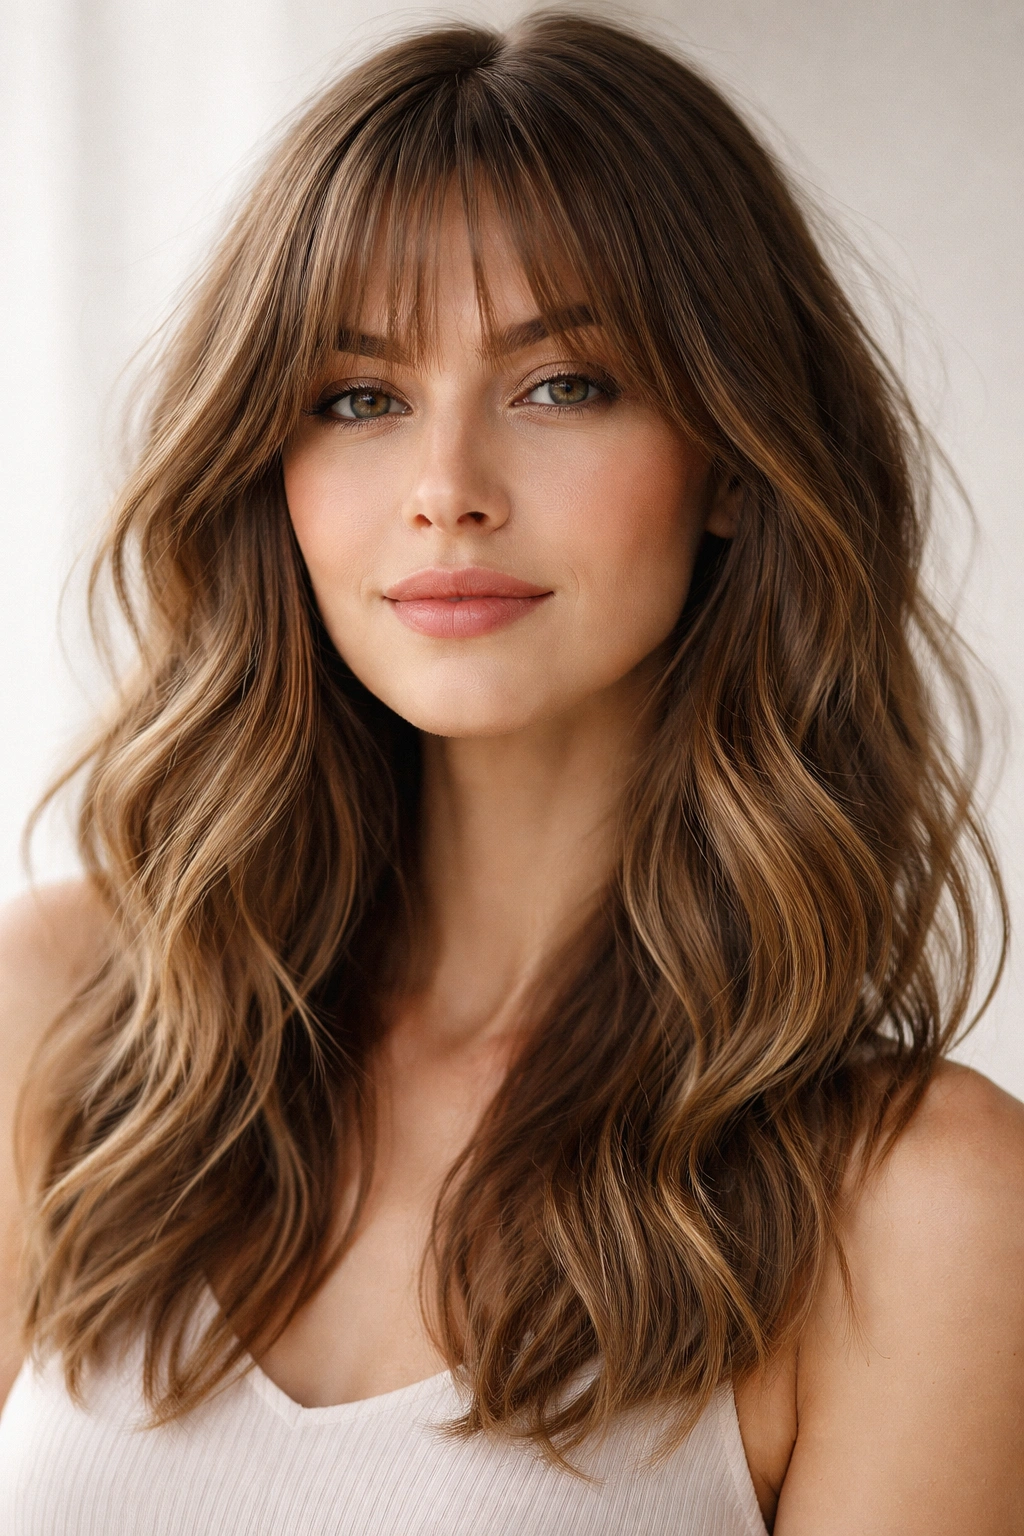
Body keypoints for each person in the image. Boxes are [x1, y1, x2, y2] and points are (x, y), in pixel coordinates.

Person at [0, 11, 1021, 1533]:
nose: (446, 492)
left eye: (563, 386)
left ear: (734, 460)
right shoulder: (67, 1014)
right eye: (359, 399)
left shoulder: (918, 1205)